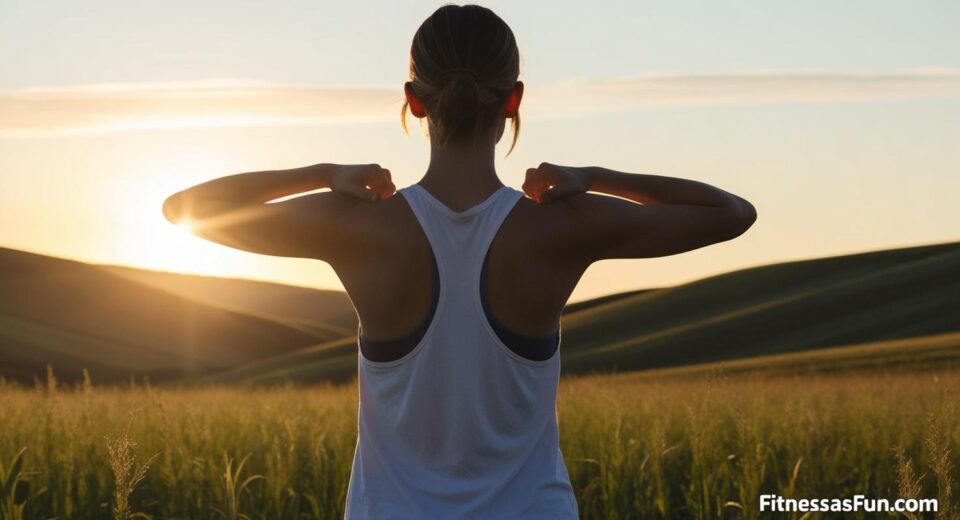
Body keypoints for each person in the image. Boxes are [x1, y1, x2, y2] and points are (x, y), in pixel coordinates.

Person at [162, 4, 756, 518]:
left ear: (415, 103)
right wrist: (597, 177)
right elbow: (731, 212)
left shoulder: (358, 224)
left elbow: (186, 207)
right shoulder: (561, 224)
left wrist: (322, 174)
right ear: (514, 101)